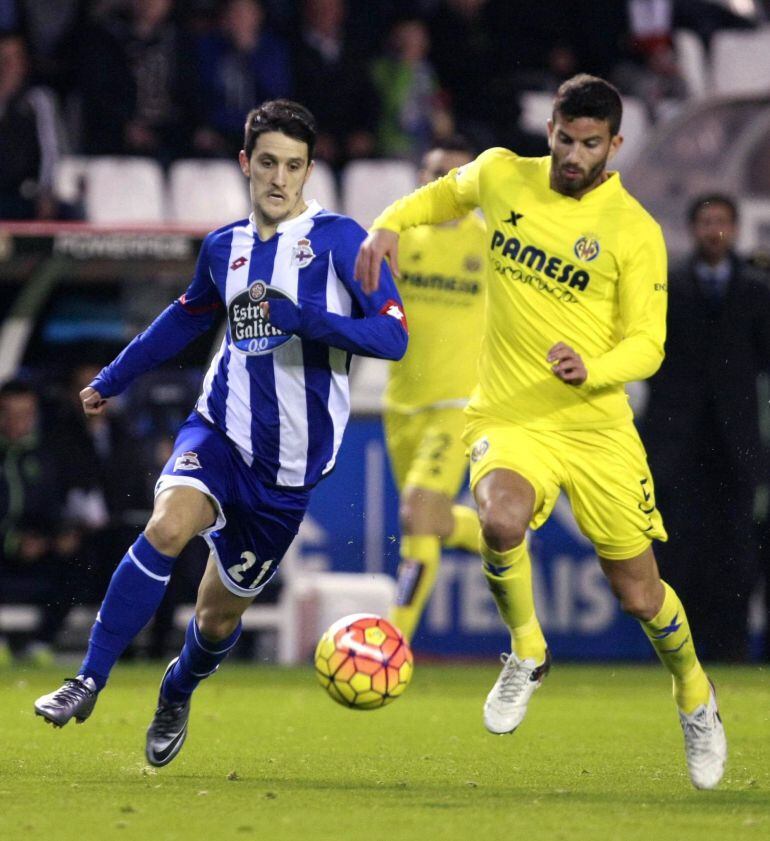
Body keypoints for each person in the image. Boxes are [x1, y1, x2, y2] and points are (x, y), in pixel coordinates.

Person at [355, 74, 726, 790]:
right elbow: (443, 193)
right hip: (508, 413)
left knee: (640, 593)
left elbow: (649, 345)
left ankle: (694, 693)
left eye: (591, 144)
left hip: (596, 427)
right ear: (549, 129)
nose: (573, 155)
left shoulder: (635, 231)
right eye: (564, 138)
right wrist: (389, 223)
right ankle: (527, 649)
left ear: (615, 144)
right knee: (499, 518)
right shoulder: (501, 174)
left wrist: (593, 366)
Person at [34, 99, 408, 768]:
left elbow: (394, 334)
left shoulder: (341, 241)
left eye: (293, 165)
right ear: (245, 163)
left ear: (309, 170)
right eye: (267, 162)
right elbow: (183, 320)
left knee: (215, 620)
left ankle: (176, 690)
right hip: (218, 430)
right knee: (166, 527)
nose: (278, 178)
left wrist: (312, 321)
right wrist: (114, 377)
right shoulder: (223, 247)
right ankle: (87, 678)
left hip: (287, 476)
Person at [644, 194, 770, 662]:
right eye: (705, 221)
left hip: (735, 446)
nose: (713, 230)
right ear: (693, 228)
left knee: (736, 553)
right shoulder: (666, 286)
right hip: (677, 443)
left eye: (721, 222)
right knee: (679, 551)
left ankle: (731, 649)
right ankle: (679, 652)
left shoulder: (757, 289)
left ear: (735, 229)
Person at [383, 137, 486, 642]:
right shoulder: (397, 239)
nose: (440, 181)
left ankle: (394, 644)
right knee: (424, 523)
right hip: (400, 405)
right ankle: (485, 532)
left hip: (459, 405)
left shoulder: (491, 246)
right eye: (432, 171)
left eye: (452, 173)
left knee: (417, 510)